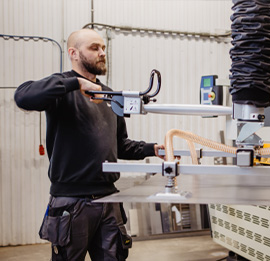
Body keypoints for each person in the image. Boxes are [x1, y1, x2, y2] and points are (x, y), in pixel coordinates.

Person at [14, 28, 163, 260]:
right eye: (94, 48)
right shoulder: (63, 86)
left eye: (103, 48)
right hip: (71, 204)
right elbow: (23, 97)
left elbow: (120, 145)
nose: (102, 52)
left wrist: (152, 149)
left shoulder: (110, 95)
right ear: (73, 53)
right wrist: (75, 84)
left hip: (109, 200)